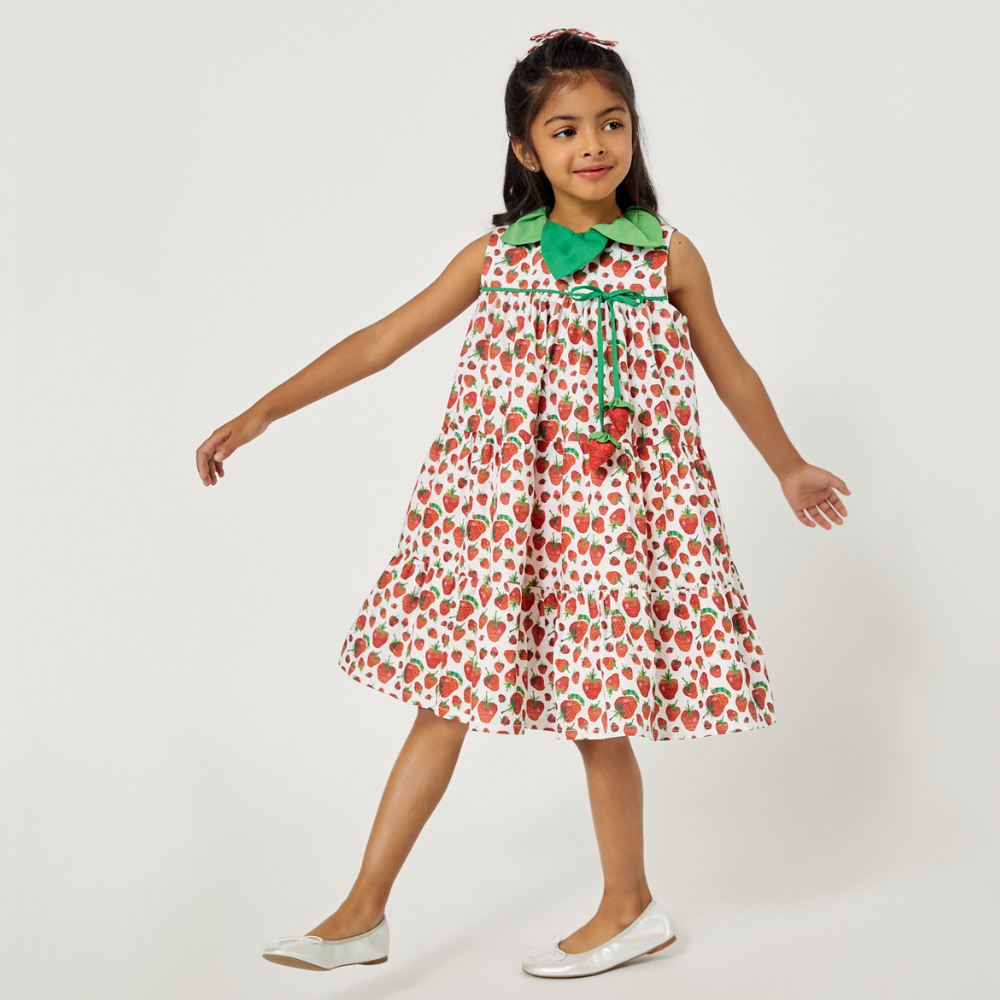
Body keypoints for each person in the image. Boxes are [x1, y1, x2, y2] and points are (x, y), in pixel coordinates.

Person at [195, 26, 850, 980]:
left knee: (599, 714)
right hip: (501, 525)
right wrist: (263, 411)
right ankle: (361, 912)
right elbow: (382, 340)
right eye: (566, 129)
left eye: (612, 123)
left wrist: (788, 465)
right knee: (442, 701)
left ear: (634, 131)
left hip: (611, 527)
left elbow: (730, 367)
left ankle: (629, 907)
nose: (593, 145)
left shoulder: (666, 256)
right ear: (525, 150)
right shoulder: (494, 257)